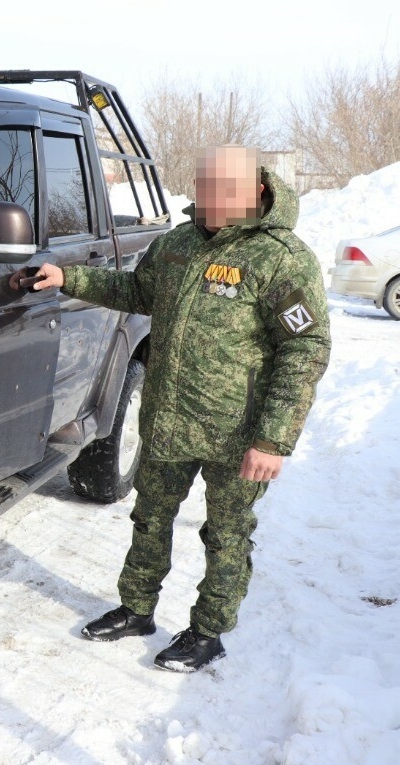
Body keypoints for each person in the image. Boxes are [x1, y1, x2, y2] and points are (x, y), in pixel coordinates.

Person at [31, 145, 331, 672]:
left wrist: (273, 440)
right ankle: (136, 609)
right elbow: (137, 291)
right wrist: (69, 279)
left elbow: (306, 348)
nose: (209, 200)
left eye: (223, 190)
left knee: (226, 534)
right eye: (205, 187)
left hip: (236, 435)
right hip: (169, 423)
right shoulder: (178, 245)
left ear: (256, 191)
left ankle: (208, 632)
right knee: (150, 518)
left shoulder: (283, 259)